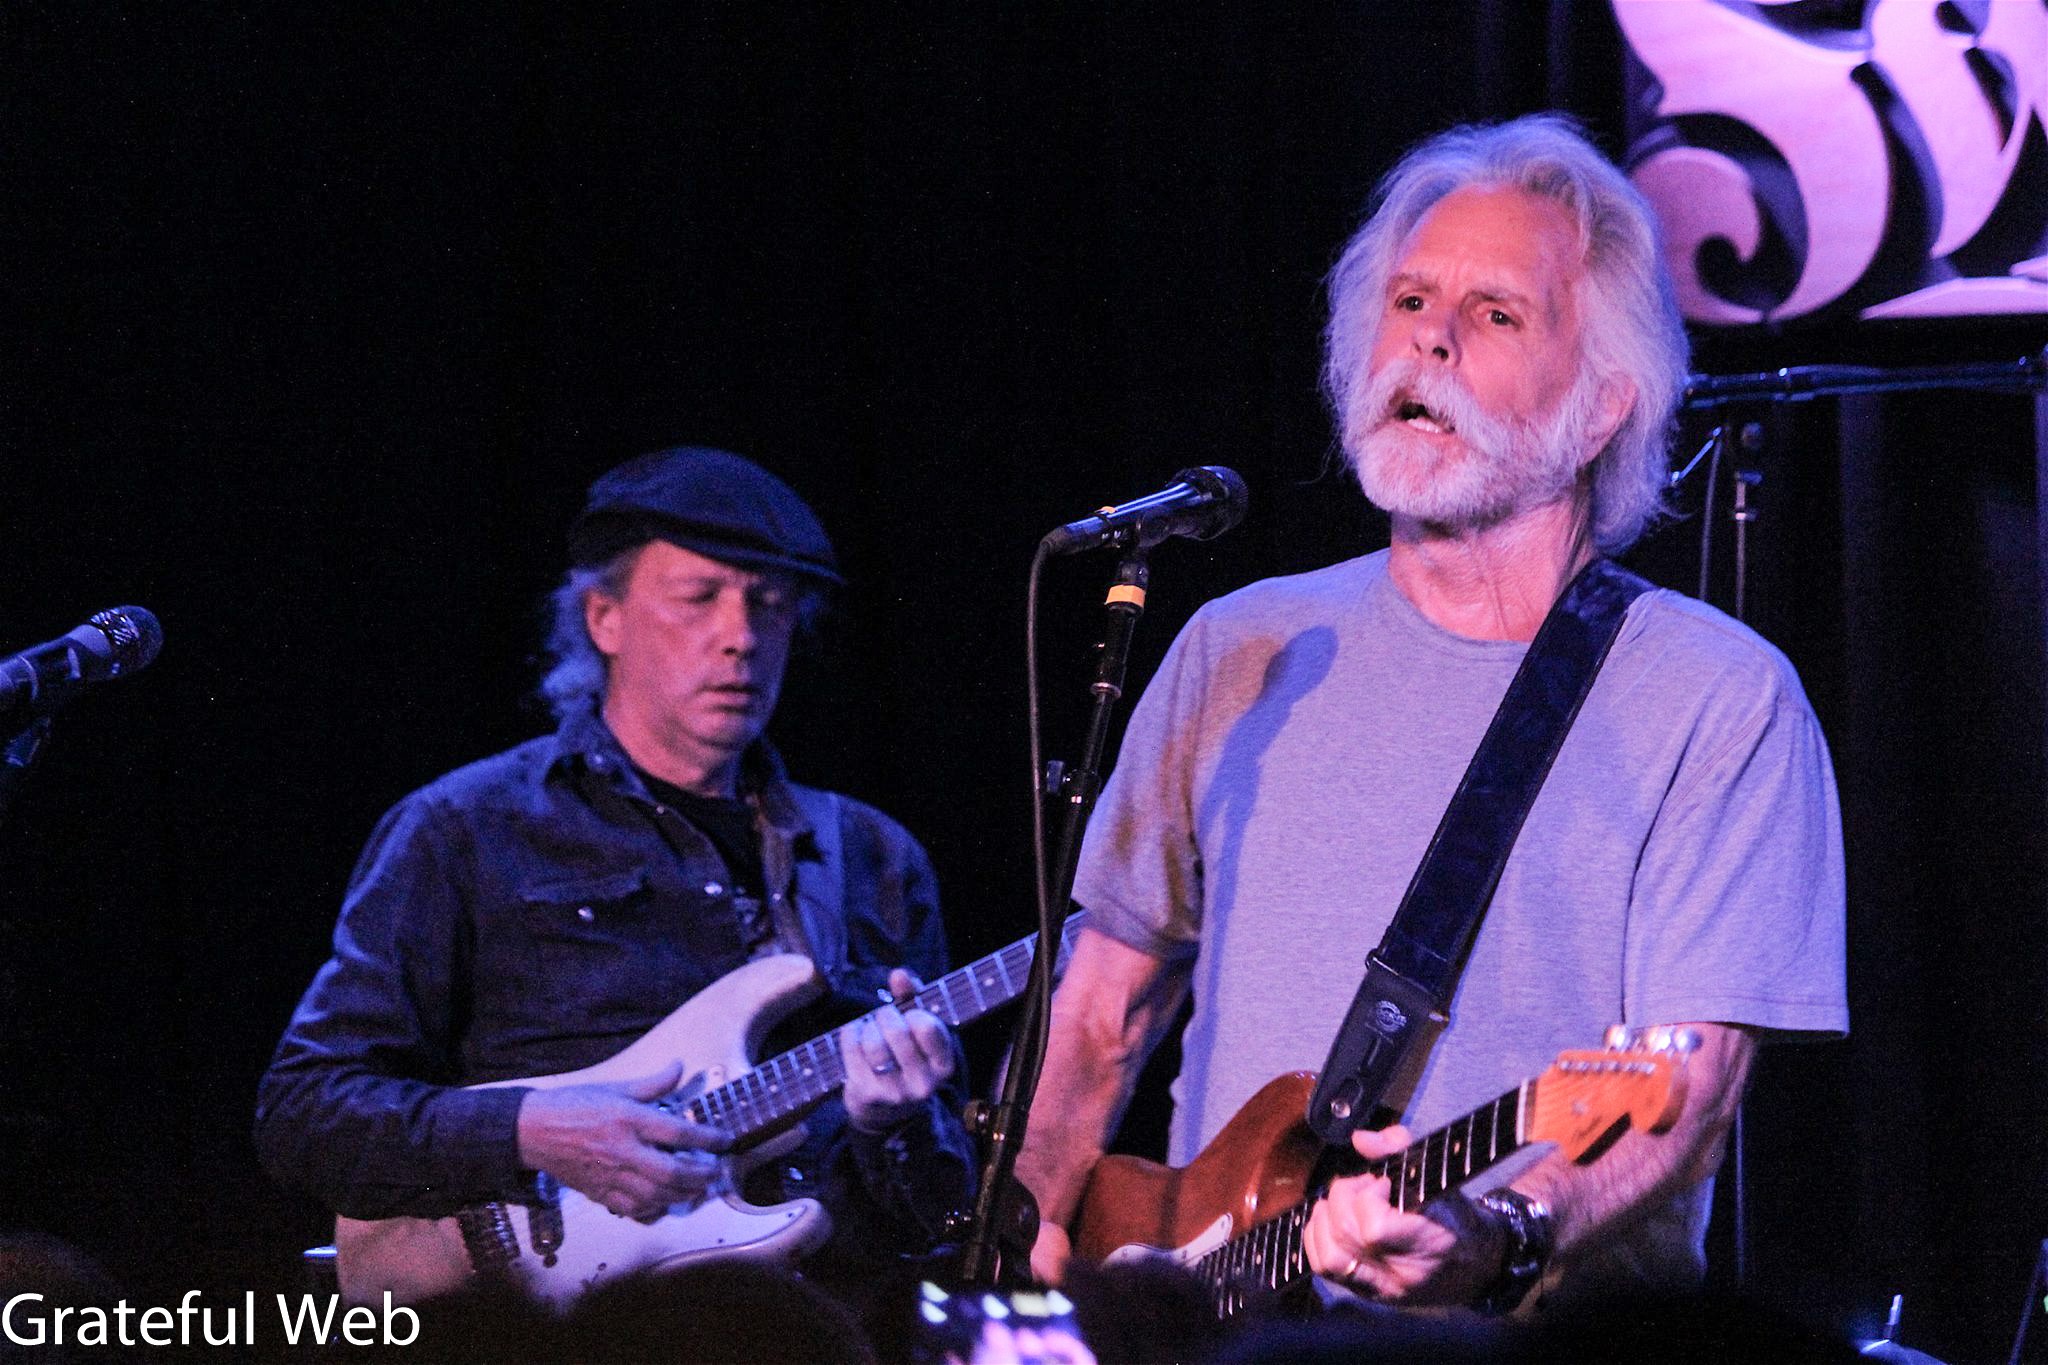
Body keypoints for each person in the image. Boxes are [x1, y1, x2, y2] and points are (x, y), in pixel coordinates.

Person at [1013, 115, 1846, 1316]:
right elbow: (1100, 1013)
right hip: (1219, 1321)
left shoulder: (1718, 699)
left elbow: (1689, 1091)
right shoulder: (1242, 646)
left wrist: (1498, 1228)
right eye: (1408, 302)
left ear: (1604, 406)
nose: (1429, 341)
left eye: (1494, 315)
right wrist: (1030, 1246)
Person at [255, 446, 974, 1298]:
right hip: (545, 1326)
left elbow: (935, 1217)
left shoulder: (873, 858)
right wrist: (529, 1130)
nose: (740, 634)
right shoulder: (467, 828)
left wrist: (890, 1123)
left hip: (813, 1320)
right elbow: (303, 1111)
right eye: (699, 597)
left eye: (770, 606)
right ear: (605, 618)